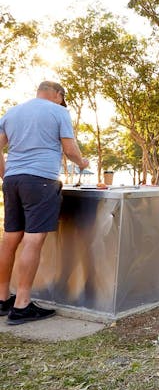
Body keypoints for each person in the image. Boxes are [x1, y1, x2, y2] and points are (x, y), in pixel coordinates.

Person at [0, 81, 89, 325]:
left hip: (13, 181)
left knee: (10, 237)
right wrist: (82, 163)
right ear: (58, 95)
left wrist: (6, 174)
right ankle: (22, 306)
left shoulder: (12, 112)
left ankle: (2, 298)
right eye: (63, 98)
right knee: (33, 237)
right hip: (40, 181)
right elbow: (70, 149)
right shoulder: (59, 111)